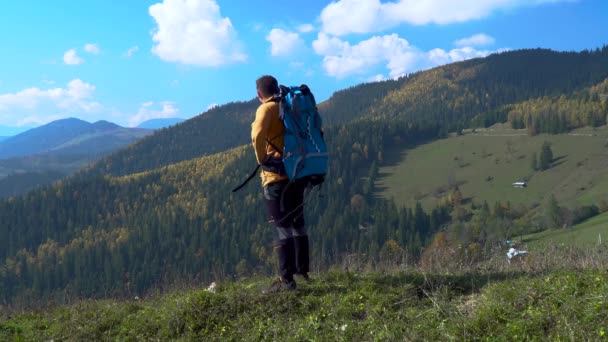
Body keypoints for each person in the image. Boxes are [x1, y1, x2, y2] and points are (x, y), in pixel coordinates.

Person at [251, 75, 311, 292]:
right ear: (276, 88)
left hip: (276, 177)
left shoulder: (266, 109)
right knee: (297, 223)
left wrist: (262, 160)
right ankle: (302, 271)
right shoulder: (288, 105)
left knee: (281, 229)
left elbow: (257, 134)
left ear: (259, 94)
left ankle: (286, 280)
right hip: (297, 172)